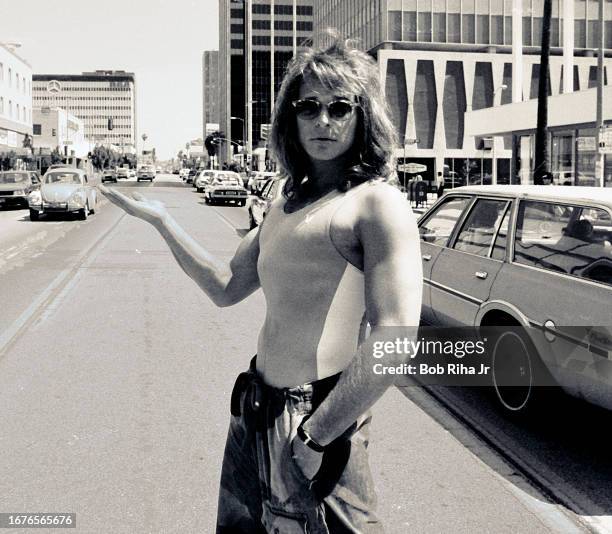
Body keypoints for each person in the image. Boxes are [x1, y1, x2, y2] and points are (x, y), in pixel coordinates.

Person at [100, 34, 422, 533]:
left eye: (340, 108)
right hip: (255, 407)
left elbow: (395, 337)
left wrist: (318, 436)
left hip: (315, 416)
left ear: (363, 117)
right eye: (309, 106)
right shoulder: (284, 203)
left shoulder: (375, 204)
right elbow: (226, 286)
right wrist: (163, 220)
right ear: (290, 117)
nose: (323, 121)